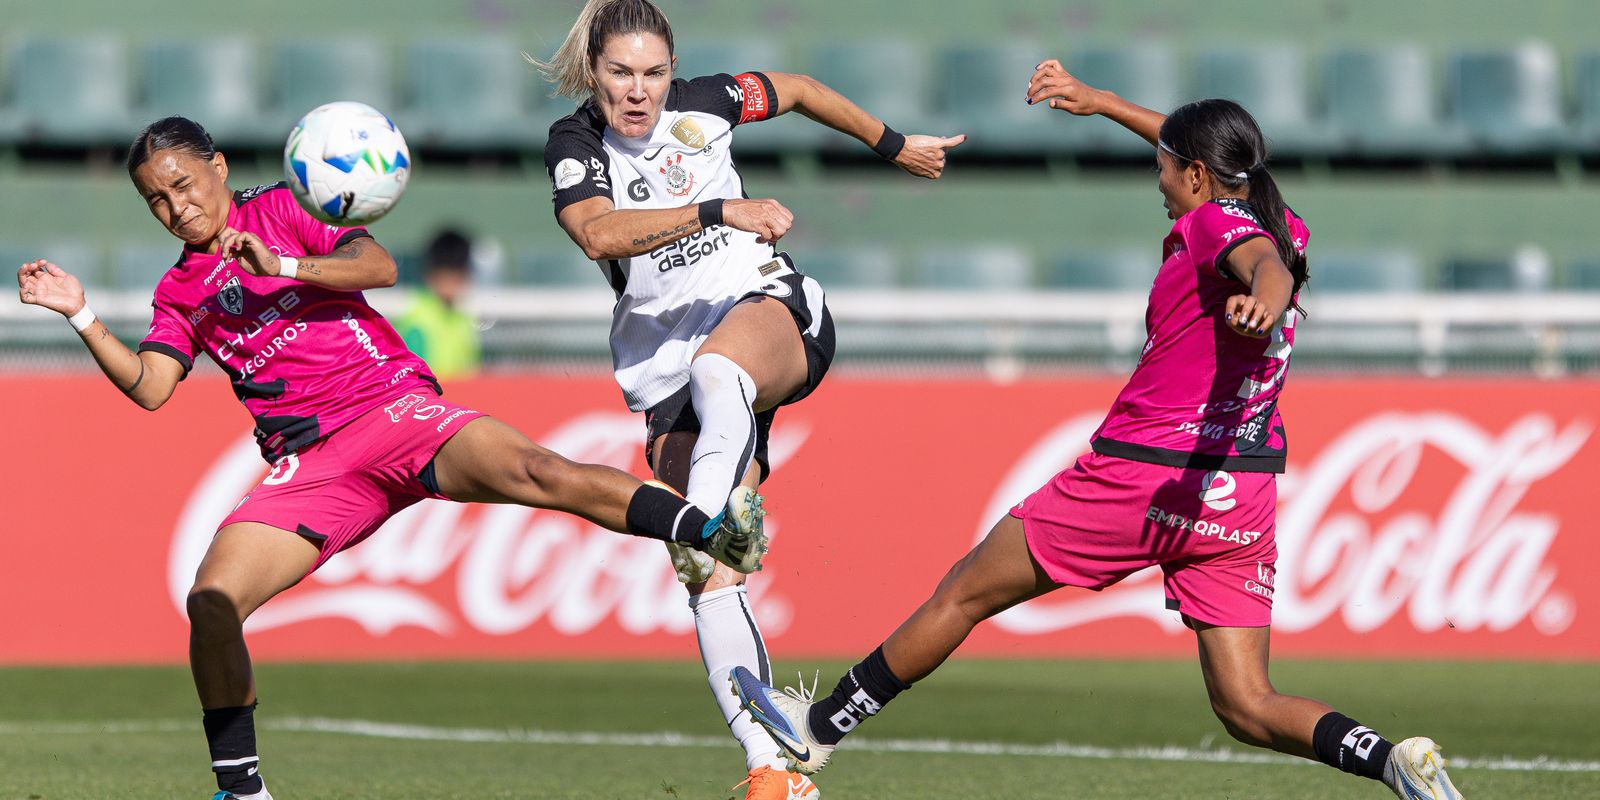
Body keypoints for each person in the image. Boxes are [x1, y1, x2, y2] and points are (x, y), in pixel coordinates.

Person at [730, 62, 1465, 800]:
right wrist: (1104, 103)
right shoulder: (1278, 214)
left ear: (1198, 177)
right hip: (1235, 496)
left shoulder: (1218, 225)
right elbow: (1241, 211)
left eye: (1165, 168)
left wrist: (1265, 301)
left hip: (1139, 478)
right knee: (1248, 704)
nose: (1159, 179)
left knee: (963, 594)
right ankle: (1393, 762)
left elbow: (1261, 266)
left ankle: (818, 729)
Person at [14, 115, 764, 800]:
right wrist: (80, 313)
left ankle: (707, 531)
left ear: (215, 166)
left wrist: (281, 264)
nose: (176, 208)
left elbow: (376, 268)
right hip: (312, 467)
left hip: (392, 410)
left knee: (540, 473)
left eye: (182, 184)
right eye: (156, 201)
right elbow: (150, 388)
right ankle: (240, 792)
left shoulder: (282, 207)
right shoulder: (180, 291)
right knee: (211, 603)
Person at [534, 1, 965, 797]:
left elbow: (795, 88)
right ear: (593, 71)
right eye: (621, 73)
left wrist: (893, 143)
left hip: (770, 314)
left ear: (674, 69)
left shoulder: (708, 104)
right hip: (664, 369)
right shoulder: (576, 145)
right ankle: (773, 762)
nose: (639, 91)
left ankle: (709, 518)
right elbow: (597, 233)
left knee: (719, 377)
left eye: (654, 73)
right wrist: (717, 209)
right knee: (707, 575)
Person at [395, 228, 481, 381]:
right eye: (446, 275)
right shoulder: (415, 321)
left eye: (458, 274)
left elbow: (471, 373)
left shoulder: (464, 319)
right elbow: (415, 380)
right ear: (430, 274)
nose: (452, 282)